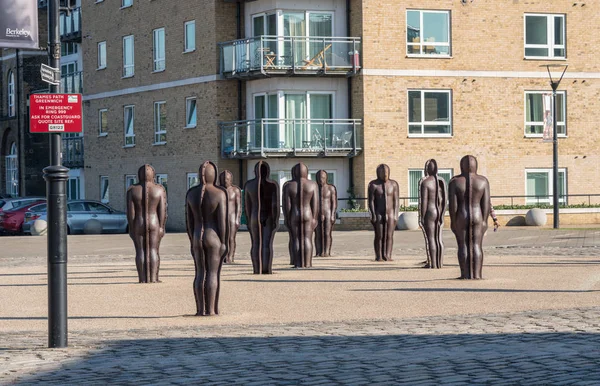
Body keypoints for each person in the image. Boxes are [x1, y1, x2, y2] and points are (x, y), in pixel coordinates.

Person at [186, 161, 228, 316]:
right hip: (213, 236)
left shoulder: (191, 193)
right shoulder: (219, 193)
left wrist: (192, 239)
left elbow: (189, 222)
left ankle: (199, 309)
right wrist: (224, 242)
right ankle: (210, 310)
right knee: (212, 273)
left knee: (199, 273)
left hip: (197, 235)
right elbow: (222, 222)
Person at [448, 155, 491, 280]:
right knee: (477, 245)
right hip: (477, 214)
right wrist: (484, 220)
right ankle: (476, 274)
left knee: (463, 245)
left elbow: (453, 205)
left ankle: (465, 274)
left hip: (462, 214)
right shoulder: (483, 181)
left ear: (461, 166)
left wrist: (453, 220)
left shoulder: (455, 182)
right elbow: (486, 203)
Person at [126, 164, 167, 283]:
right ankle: (153, 278)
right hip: (154, 221)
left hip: (138, 221)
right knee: (153, 250)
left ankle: (142, 278)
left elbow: (130, 213)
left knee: (140, 250)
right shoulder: (159, 189)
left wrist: (132, 227)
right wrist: (161, 226)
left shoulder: (132, 190)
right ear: (153, 174)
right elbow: (162, 211)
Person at [367, 164, 399, 261]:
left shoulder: (393, 184)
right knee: (379, 235)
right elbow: (371, 201)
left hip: (390, 214)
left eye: (386, 172)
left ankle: (388, 255)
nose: (385, 174)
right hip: (378, 213)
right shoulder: (373, 185)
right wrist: (373, 214)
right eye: (382, 172)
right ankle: (379, 255)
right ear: (378, 173)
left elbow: (396, 202)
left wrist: (396, 215)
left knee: (389, 235)